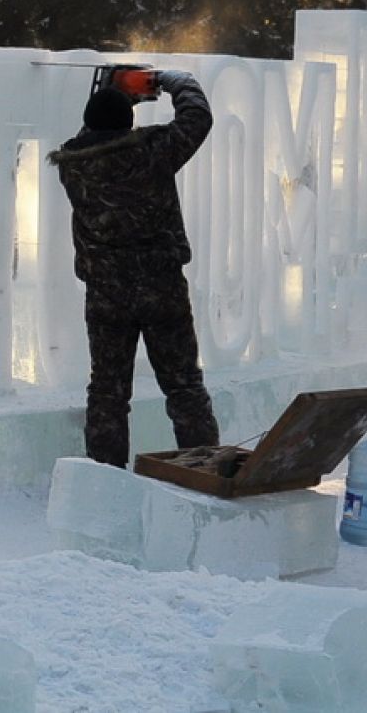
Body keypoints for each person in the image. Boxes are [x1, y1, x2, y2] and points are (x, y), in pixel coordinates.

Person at [49, 69, 220, 467]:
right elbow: (197, 118)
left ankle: (105, 477)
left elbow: (92, 134)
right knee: (184, 387)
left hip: (107, 293)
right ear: (129, 124)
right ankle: (203, 469)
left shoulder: (72, 166)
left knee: (108, 391)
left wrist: (112, 96)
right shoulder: (153, 152)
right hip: (161, 287)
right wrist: (173, 81)